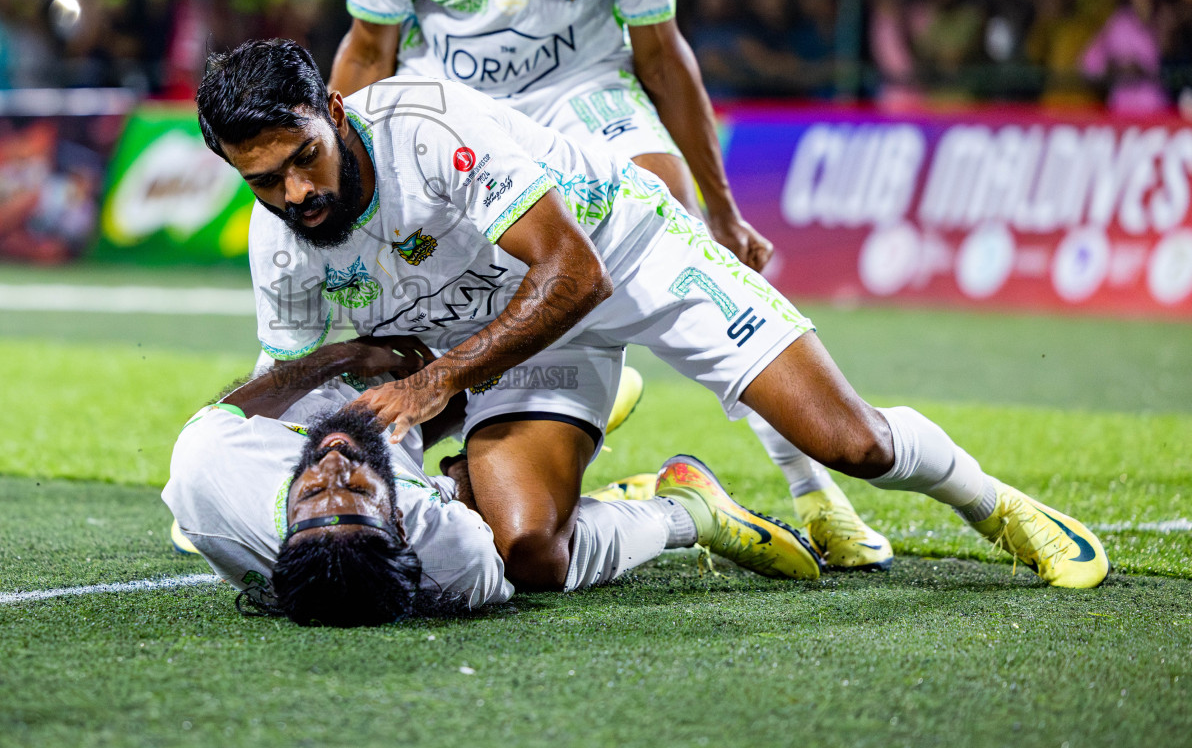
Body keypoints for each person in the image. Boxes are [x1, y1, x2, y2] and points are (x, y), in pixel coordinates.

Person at [196, 38, 1110, 594]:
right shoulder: (276, 240)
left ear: (335, 109)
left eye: (303, 157)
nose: (296, 191)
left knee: (852, 445)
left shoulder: (427, 131)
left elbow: (574, 271)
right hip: (511, 342)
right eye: (264, 179)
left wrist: (439, 381)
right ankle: (685, 508)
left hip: (625, 255)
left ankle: (999, 509)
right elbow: (303, 386)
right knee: (525, 553)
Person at [324, 0, 888, 569]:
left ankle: (812, 489)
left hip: (584, 91)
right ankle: (416, 458)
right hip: (457, 111)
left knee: (685, 233)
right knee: (410, 311)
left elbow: (662, 57)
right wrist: (343, 203)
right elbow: (367, 53)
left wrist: (722, 209)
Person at [163, 335, 820, 627]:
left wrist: (340, 355)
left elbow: (234, 409)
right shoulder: (453, 560)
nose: (334, 465)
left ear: (286, 529)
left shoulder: (213, 468)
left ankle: (551, 421)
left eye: (315, 492)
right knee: (531, 551)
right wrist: (477, 479)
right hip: (413, 471)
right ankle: (685, 507)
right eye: (358, 491)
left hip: (316, 391)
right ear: (399, 524)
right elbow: (464, 529)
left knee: (394, 382)